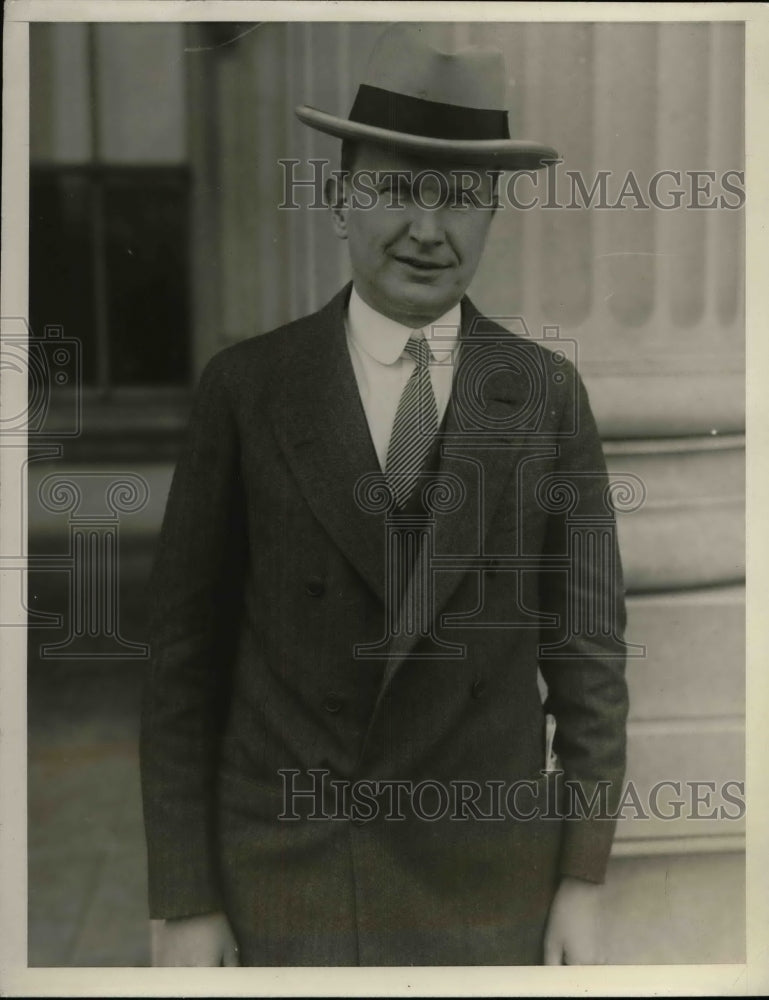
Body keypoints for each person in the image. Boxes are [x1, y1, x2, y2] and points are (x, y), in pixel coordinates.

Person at [140, 23, 629, 967]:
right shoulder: (246, 390)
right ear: (337, 199)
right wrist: (184, 900)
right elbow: (181, 671)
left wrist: (580, 879)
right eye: (397, 189)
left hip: (485, 880)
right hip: (287, 869)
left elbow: (589, 661)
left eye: (459, 199)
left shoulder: (541, 396)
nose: (426, 229)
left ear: (489, 216)